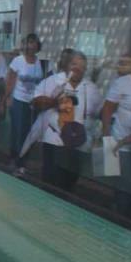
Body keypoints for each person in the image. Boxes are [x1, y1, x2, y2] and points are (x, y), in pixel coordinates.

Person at [31, 51, 101, 190]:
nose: (77, 68)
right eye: (74, 64)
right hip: (54, 139)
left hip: (77, 142)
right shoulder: (54, 81)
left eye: (82, 66)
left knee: (69, 180)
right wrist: (54, 101)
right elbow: (36, 102)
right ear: (66, 65)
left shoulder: (91, 88)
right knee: (50, 178)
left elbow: (98, 113)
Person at [0, 34, 44, 174]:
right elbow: (10, 80)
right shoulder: (18, 61)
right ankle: (15, 159)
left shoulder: (39, 62)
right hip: (18, 100)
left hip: (33, 103)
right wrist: (6, 99)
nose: (32, 46)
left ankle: (24, 160)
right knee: (18, 131)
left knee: (29, 132)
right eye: (29, 42)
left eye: (34, 43)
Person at [101, 56, 131, 193]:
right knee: (125, 186)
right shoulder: (122, 83)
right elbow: (107, 110)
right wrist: (107, 137)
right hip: (121, 142)